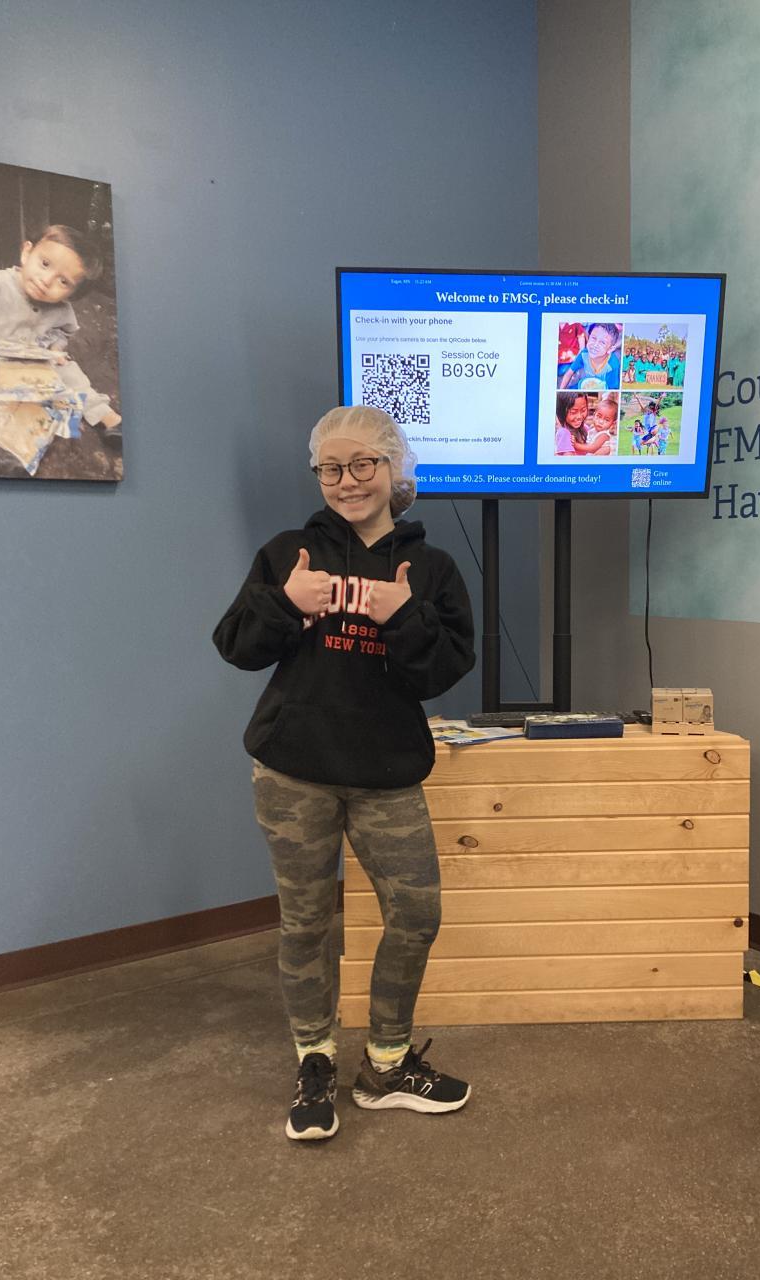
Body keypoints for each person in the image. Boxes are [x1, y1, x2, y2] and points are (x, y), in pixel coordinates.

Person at [213, 405, 475, 1142]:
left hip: (387, 772)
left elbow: (443, 671)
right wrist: (284, 603)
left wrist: (404, 615)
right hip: (293, 770)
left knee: (416, 915)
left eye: (363, 463)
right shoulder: (288, 554)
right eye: (330, 468)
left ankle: (386, 1066)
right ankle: (315, 1061)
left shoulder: (432, 569)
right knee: (305, 922)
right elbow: (235, 645)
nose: (347, 480)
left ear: (395, 469)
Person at [0, 224, 121, 429]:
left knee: (69, 372)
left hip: (34, 363)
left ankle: (106, 417)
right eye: (45, 264)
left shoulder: (60, 309)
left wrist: (55, 349)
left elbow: (62, 331)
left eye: (63, 281)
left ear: (73, 293)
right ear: (27, 252)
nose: (46, 280)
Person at [558, 322, 623, 390]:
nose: (595, 345)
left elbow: (612, 389)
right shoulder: (584, 354)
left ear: (610, 349)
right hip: (586, 385)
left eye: (602, 342)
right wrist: (561, 390)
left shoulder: (613, 365)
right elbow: (569, 373)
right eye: (593, 338)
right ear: (588, 337)